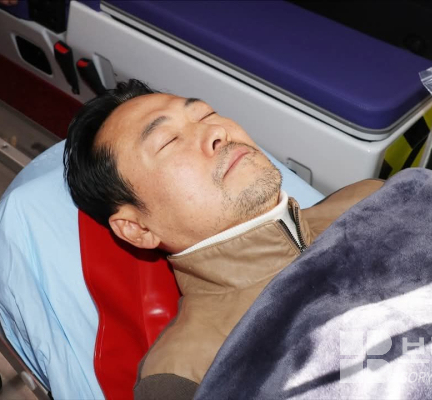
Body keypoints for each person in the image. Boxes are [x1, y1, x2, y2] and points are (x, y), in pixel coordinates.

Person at [64, 80, 382, 399]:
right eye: (168, 140)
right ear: (138, 229)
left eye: (206, 114)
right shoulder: (189, 377)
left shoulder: (373, 197)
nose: (217, 132)